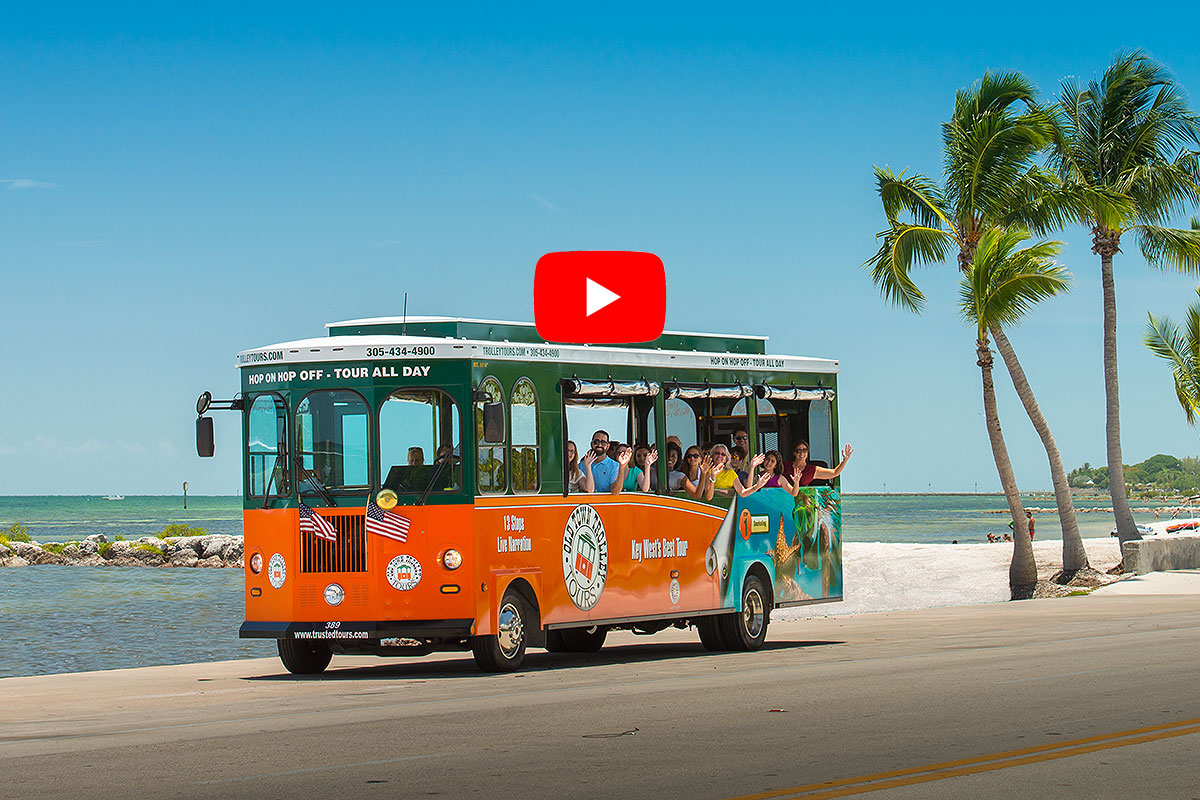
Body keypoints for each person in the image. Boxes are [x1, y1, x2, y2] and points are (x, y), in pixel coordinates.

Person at [705, 446, 769, 499]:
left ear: (726, 459)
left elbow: (743, 493)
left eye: (723, 454)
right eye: (717, 453)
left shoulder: (730, 473)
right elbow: (708, 497)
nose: (719, 456)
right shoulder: (707, 471)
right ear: (712, 455)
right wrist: (712, 478)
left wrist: (757, 486)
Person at [785, 441, 854, 487]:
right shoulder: (785, 465)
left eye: (804, 450)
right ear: (794, 452)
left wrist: (845, 460)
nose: (802, 453)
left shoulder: (812, 470)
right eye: (798, 451)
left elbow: (835, 473)